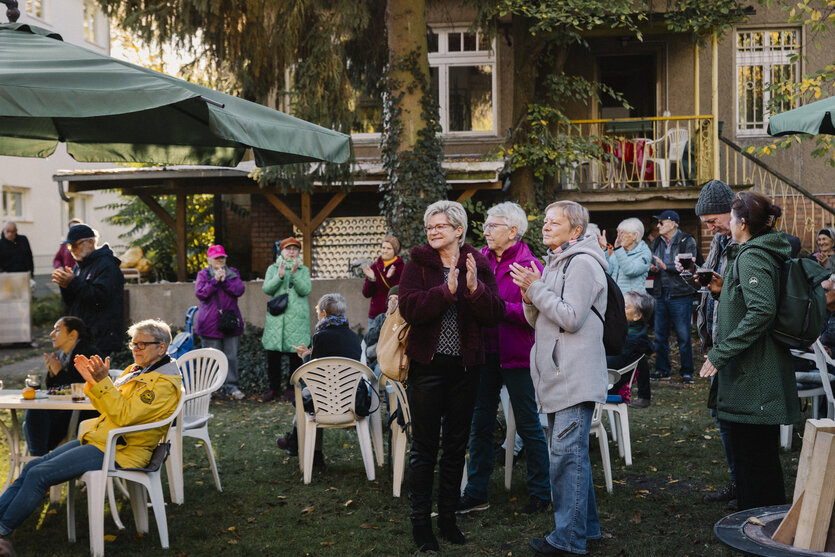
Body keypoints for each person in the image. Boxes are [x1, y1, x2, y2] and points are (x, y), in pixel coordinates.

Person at [0, 319, 182, 537]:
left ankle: (4, 529)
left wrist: (104, 382)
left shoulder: (162, 384)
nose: (135, 349)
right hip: (102, 440)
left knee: (39, 474)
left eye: (142, 344)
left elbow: (124, 416)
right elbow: (107, 408)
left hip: (122, 450)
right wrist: (94, 382)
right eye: (133, 344)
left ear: (161, 347)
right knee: (32, 465)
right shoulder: (138, 371)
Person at [399, 200, 504, 552]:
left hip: (466, 368)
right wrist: (447, 292)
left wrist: (474, 290)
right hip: (427, 369)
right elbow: (410, 308)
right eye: (429, 227)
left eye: (440, 226)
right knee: (424, 448)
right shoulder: (417, 264)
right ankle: (420, 524)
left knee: (456, 447)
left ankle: (447, 519)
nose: (432, 232)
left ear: (458, 230)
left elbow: (494, 315)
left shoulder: (478, 264)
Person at [509, 200, 608, 557]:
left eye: (554, 222)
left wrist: (536, 288)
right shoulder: (556, 262)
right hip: (558, 375)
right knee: (571, 457)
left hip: (573, 377)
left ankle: (568, 540)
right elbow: (541, 320)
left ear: (576, 230)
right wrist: (529, 297)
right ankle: (586, 530)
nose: (546, 226)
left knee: (567, 458)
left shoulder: (582, 263)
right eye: (546, 221)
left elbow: (571, 318)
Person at [699, 191, 800, 511]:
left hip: (754, 371)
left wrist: (721, 353)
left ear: (742, 223)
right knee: (755, 455)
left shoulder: (752, 255)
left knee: (755, 456)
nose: (728, 224)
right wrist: (722, 290)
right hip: (751, 369)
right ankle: (758, 516)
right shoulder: (753, 250)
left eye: (731, 218)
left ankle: (760, 520)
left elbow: (762, 311)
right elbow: (750, 303)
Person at [458, 202, 551, 516]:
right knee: (480, 423)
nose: (486, 230)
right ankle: (475, 493)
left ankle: (541, 493)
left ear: (513, 231)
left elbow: (534, 315)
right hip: (483, 354)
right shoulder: (476, 260)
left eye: (492, 225)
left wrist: (496, 308)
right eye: (485, 224)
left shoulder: (530, 265)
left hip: (517, 356)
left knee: (528, 425)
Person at [690, 179, 738, 509]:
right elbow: (715, 282)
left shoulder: (743, 244)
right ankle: (738, 481)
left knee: (734, 419)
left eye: (712, 220)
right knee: (721, 416)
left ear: (731, 212)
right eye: (705, 222)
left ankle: (745, 485)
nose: (710, 228)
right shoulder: (720, 242)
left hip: (733, 346)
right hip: (716, 342)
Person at [276, 293, 362, 466]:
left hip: (328, 401)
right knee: (313, 395)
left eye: (317, 309)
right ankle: (309, 452)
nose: (316, 312)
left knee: (308, 396)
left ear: (323, 313)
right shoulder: (354, 337)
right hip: (352, 399)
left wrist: (305, 357)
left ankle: (298, 443)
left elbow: (313, 376)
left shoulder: (320, 336)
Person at [24, 316, 101, 456]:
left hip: (82, 416)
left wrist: (58, 371)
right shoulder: (63, 355)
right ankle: (38, 457)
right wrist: (52, 373)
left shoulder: (86, 353)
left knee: (35, 412)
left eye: (57, 330)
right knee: (35, 414)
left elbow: (80, 388)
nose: (51, 334)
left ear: (72, 335)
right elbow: (55, 388)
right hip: (66, 413)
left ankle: (37, 458)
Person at [50, 224, 124, 357]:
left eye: (75, 245)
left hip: (102, 337)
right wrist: (65, 285)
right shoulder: (79, 267)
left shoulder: (107, 264)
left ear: (90, 242)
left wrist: (73, 282)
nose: (72, 250)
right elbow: (72, 303)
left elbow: (100, 297)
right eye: (69, 247)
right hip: (85, 336)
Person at [649, 210, 697, 383]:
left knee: (683, 336)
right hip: (660, 293)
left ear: (673, 223)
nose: (658, 226)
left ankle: (687, 372)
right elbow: (652, 262)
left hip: (680, 294)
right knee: (660, 335)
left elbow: (688, 265)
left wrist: (665, 266)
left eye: (661, 222)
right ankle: (662, 370)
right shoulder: (656, 242)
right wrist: (653, 267)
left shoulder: (686, 240)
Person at [261, 237, 312, 402]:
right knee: (273, 355)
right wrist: (280, 276)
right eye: (288, 249)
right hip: (277, 319)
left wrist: (294, 275)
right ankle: (273, 388)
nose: (291, 252)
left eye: (295, 249)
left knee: (295, 356)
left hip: (297, 319)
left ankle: (292, 388)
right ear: (281, 252)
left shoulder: (303, 270)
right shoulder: (273, 268)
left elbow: (305, 290)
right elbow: (266, 289)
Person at [194, 245, 246, 400]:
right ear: (209, 260)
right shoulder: (203, 274)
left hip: (230, 322)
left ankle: (232, 387)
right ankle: (208, 390)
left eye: (222, 257)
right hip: (209, 324)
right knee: (211, 359)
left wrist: (225, 281)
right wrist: (215, 281)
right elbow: (201, 293)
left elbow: (239, 290)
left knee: (231, 357)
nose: (220, 260)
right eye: (217, 258)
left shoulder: (233, 273)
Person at [607, 291, 654, 401]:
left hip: (606, 384)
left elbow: (608, 363)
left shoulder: (631, 341)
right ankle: (644, 397)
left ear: (637, 316)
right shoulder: (636, 335)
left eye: (624, 307)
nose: (618, 308)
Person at [362, 235, 405, 329]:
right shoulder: (374, 267)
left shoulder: (401, 268)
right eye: (383, 247)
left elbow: (400, 292)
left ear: (395, 251)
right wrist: (371, 279)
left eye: (389, 248)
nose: (385, 251)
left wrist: (390, 278)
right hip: (374, 316)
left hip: (393, 314)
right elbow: (366, 293)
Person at [364, 286, 399, 377]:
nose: (392, 302)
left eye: (396, 299)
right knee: (377, 371)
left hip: (395, 360)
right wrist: (387, 319)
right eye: (390, 299)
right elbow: (368, 339)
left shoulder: (404, 320)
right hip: (378, 358)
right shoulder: (381, 318)